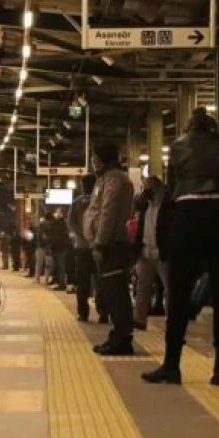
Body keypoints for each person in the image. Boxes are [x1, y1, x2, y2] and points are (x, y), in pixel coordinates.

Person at [143, 107, 219, 386]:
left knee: (178, 293)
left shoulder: (177, 146)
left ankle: (172, 365)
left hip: (187, 218)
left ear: (189, 126)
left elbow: (175, 189)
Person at [84, 142, 135, 355]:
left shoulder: (114, 179)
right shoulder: (106, 179)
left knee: (116, 294)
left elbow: (109, 212)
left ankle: (122, 340)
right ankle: (116, 337)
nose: (92, 162)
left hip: (111, 246)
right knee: (112, 293)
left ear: (101, 158)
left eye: (94, 157)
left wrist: (100, 243)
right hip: (108, 245)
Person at [132, 176, 169, 331]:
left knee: (170, 288)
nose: (147, 192)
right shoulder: (145, 206)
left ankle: (173, 320)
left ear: (159, 188)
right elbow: (134, 206)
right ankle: (139, 319)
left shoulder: (168, 207)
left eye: (149, 189)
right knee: (143, 286)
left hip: (163, 253)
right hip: (145, 252)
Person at [69, 174, 101, 322]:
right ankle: (104, 312)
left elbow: (71, 223)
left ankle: (83, 313)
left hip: (82, 246)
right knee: (101, 281)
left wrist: (82, 235)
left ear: (83, 186)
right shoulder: (101, 200)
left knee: (82, 282)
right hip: (99, 245)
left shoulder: (76, 203)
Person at [49, 209, 71, 291]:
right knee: (58, 266)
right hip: (57, 247)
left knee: (61, 267)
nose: (56, 214)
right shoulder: (58, 223)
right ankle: (59, 282)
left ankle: (62, 284)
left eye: (58, 212)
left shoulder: (62, 223)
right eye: (56, 212)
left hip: (60, 248)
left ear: (61, 214)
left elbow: (58, 235)